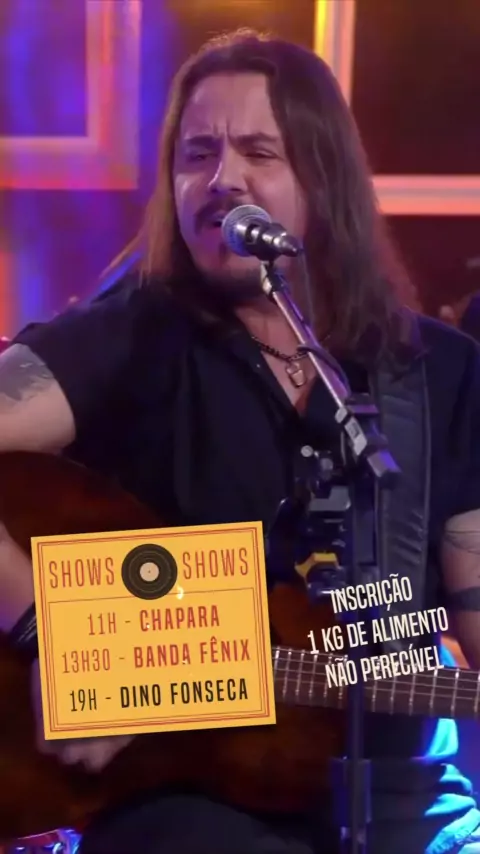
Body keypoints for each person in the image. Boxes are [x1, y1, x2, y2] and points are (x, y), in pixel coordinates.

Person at [1, 27, 480, 854]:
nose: (222, 179)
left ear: (323, 177)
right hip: (184, 795)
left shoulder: (439, 371)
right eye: (197, 155)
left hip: (405, 797)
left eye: (259, 151)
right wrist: (51, 638)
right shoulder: (131, 337)